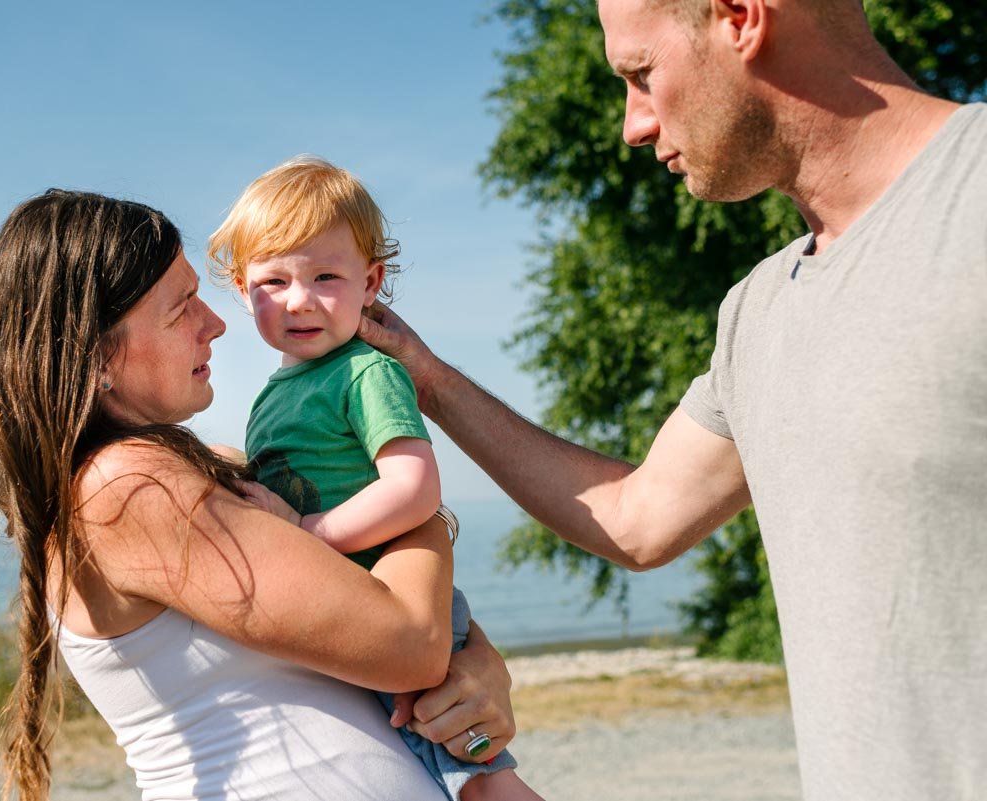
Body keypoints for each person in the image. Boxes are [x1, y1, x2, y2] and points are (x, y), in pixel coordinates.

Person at [357, 2, 986, 799]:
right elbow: (635, 519)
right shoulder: (758, 313)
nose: (633, 125)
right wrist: (430, 379)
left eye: (641, 75)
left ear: (739, 16)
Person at [0, 189, 518, 801]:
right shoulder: (128, 490)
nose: (217, 322)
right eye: (181, 309)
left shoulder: (207, 471)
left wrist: (480, 668)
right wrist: (420, 508)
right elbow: (412, 645)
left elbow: (389, 624)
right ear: (95, 352)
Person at [206, 156, 536, 801]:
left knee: (473, 774)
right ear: (244, 290)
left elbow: (415, 487)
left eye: (326, 276)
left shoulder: (365, 371)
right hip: (356, 604)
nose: (300, 299)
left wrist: (307, 534)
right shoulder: (277, 392)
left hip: (398, 592)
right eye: (274, 281)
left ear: (371, 282)